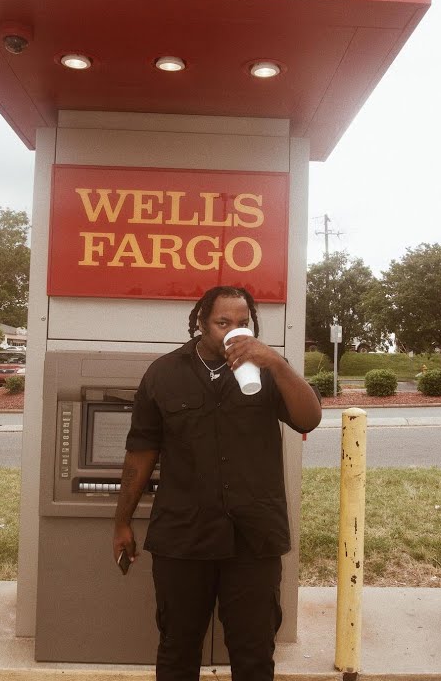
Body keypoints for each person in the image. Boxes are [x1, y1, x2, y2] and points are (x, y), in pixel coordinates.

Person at [112, 285, 322, 681]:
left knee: (254, 654)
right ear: (201, 323)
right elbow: (141, 452)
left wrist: (277, 364)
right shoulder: (164, 373)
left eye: (243, 322)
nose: (234, 330)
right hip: (184, 536)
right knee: (177, 650)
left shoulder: (269, 368)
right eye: (223, 322)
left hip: (254, 538)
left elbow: (308, 419)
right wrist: (122, 521)